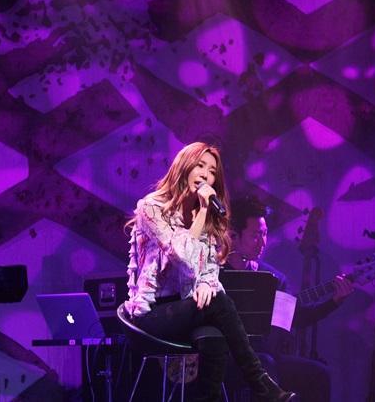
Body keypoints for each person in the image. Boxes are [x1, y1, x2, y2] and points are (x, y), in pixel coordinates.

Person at [124, 142, 296, 402]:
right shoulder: (152, 208)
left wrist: (206, 283)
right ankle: (261, 384)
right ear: (184, 167)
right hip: (153, 315)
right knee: (219, 302)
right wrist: (203, 211)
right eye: (200, 166)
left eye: (212, 171)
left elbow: (209, 268)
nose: (205, 174)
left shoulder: (208, 218)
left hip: (190, 308)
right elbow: (180, 255)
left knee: (214, 338)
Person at [223, 195, 354, 402]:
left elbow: (297, 317)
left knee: (318, 374)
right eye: (256, 235)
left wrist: (334, 301)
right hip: (225, 358)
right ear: (233, 236)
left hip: (264, 356)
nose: (263, 242)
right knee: (264, 363)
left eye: (265, 234)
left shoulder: (273, 278)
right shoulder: (213, 275)